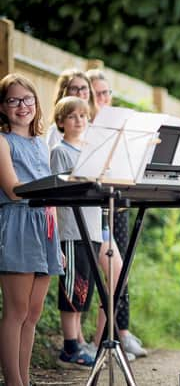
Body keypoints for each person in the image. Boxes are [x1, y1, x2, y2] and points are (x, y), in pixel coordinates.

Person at [0, 73, 64, 386]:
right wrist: (51, 189)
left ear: (37, 104)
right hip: (19, 223)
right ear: (3, 107)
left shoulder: (41, 143)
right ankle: (13, 381)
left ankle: (24, 380)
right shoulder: (1, 141)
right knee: (16, 310)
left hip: (46, 227)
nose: (22, 106)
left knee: (34, 313)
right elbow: (13, 190)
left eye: (28, 99)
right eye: (13, 100)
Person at [86, 68, 147, 358]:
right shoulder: (85, 126)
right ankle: (107, 336)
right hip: (93, 206)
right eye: (97, 93)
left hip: (119, 200)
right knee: (109, 268)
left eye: (107, 92)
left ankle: (122, 331)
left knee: (123, 263)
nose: (103, 98)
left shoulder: (117, 127)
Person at [50, 96, 101, 369]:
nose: (79, 120)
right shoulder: (60, 151)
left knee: (84, 291)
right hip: (71, 230)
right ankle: (69, 347)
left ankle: (77, 343)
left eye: (83, 115)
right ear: (61, 122)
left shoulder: (90, 153)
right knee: (72, 290)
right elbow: (56, 196)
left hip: (91, 230)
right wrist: (56, 240)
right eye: (72, 116)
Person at [45, 69, 96, 150]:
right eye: (74, 89)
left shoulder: (91, 128)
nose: (80, 93)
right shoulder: (56, 130)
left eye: (84, 88)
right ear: (64, 93)